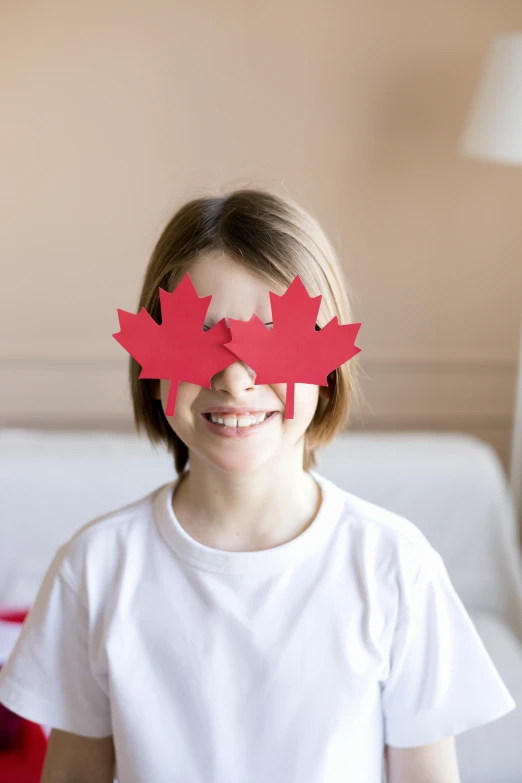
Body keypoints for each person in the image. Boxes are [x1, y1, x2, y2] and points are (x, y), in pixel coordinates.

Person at [0, 187, 515, 783]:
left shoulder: (395, 569)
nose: (237, 379)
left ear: (328, 368)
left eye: (273, 338)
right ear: (150, 361)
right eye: (202, 338)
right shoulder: (95, 569)